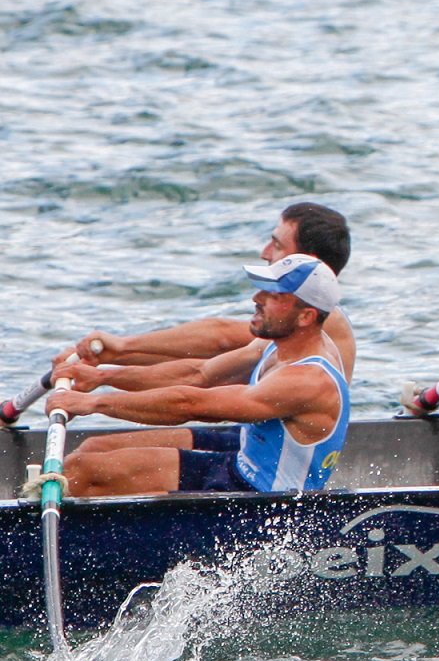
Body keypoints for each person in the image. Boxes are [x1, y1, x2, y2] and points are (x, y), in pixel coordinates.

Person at [51, 255, 352, 497]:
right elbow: (197, 374)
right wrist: (102, 377)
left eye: (273, 295)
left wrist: (93, 404)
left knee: (83, 472)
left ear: (306, 316)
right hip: (242, 464)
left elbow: (190, 405)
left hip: (260, 504)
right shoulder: (278, 344)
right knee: (93, 450)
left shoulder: (307, 380)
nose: (256, 298)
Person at [54, 202, 355, 375]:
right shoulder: (292, 320)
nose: (264, 253)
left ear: (307, 261)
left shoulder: (322, 318)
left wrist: (121, 348)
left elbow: (220, 339)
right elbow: (204, 363)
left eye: (276, 245)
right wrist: (105, 359)